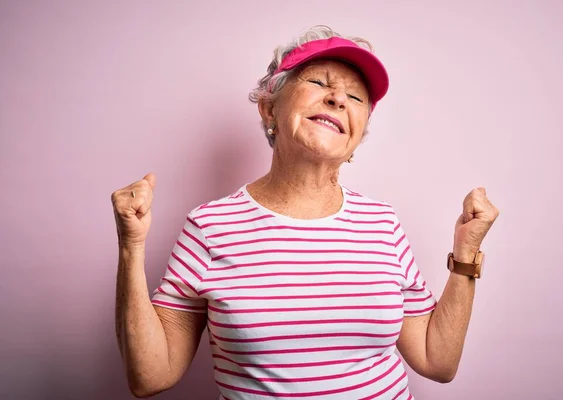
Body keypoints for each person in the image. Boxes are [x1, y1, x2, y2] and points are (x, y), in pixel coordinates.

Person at [111, 25, 499, 399]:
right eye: (318, 83)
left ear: (356, 138)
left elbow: (437, 360)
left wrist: (466, 255)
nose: (338, 99)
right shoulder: (210, 227)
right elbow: (150, 377)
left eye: (356, 97)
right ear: (269, 109)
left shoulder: (382, 223)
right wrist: (132, 246)